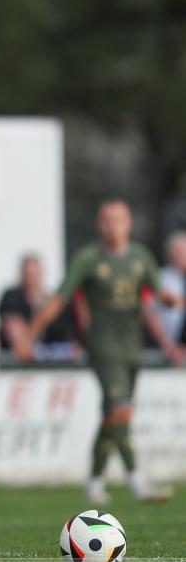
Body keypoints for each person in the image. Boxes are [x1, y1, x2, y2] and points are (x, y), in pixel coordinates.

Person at [17, 200, 182, 504]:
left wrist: (169, 300)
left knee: (114, 416)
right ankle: (137, 480)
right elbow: (59, 298)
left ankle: (93, 482)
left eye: (118, 219)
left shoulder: (140, 257)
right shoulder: (88, 259)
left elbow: (155, 296)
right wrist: (30, 332)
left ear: (128, 223)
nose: (112, 225)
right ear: (98, 224)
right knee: (119, 409)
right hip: (103, 347)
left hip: (132, 346)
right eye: (106, 219)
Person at [0, 253, 77, 359]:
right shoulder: (12, 297)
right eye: (28, 275)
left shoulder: (50, 303)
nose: (31, 279)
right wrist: (25, 341)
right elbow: (13, 328)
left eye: (34, 275)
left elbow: (66, 340)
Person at [154, 231, 186, 345]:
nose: (180, 254)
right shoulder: (161, 278)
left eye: (183, 250)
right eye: (177, 251)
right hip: (171, 344)